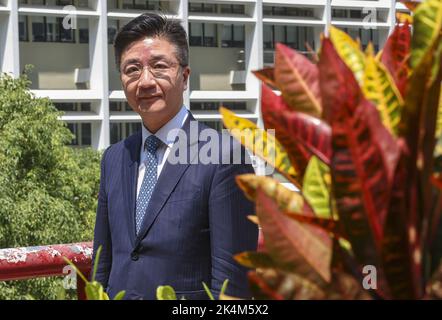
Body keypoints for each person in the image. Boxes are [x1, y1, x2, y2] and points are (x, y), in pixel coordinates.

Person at [92, 13, 258, 300]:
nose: (144, 81)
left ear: (184, 76)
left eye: (158, 67)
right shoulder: (115, 157)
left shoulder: (223, 155)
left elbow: (233, 283)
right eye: (132, 69)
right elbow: (102, 263)